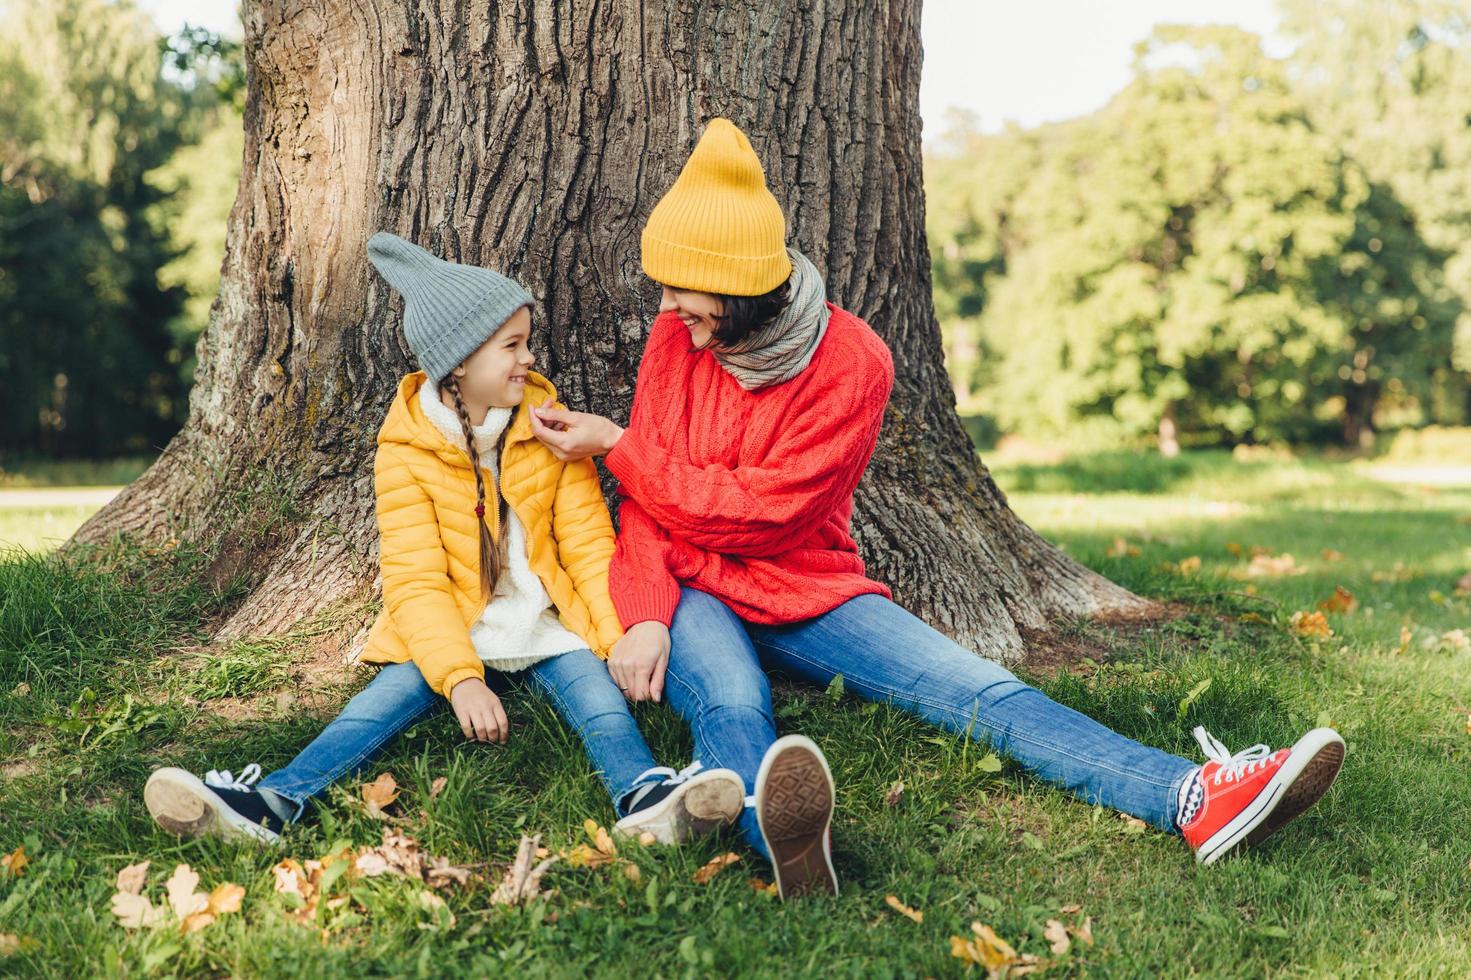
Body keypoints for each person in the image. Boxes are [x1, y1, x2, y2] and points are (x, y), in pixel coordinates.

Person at [528, 118, 1347, 899]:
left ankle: (1189, 796)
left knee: (980, 692)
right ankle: (771, 834)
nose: (666, 307)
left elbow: (765, 515)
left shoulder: (853, 362)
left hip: (802, 585)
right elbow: (646, 504)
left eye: (684, 288)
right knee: (734, 701)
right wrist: (640, 612)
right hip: (689, 580)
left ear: (740, 286)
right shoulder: (676, 340)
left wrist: (620, 447)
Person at [143, 232, 742, 846]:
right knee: (376, 707)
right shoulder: (406, 452)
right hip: (456, 624)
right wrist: (461, 678)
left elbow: (589, 544)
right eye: (512, 346)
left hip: (549, 622)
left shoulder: (549, 425)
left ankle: (649, 798)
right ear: (459, 361)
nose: (529, 359)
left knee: (602, 704)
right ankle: (274, 800)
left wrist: (615, 637)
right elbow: (416, 581)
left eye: (527, 342)